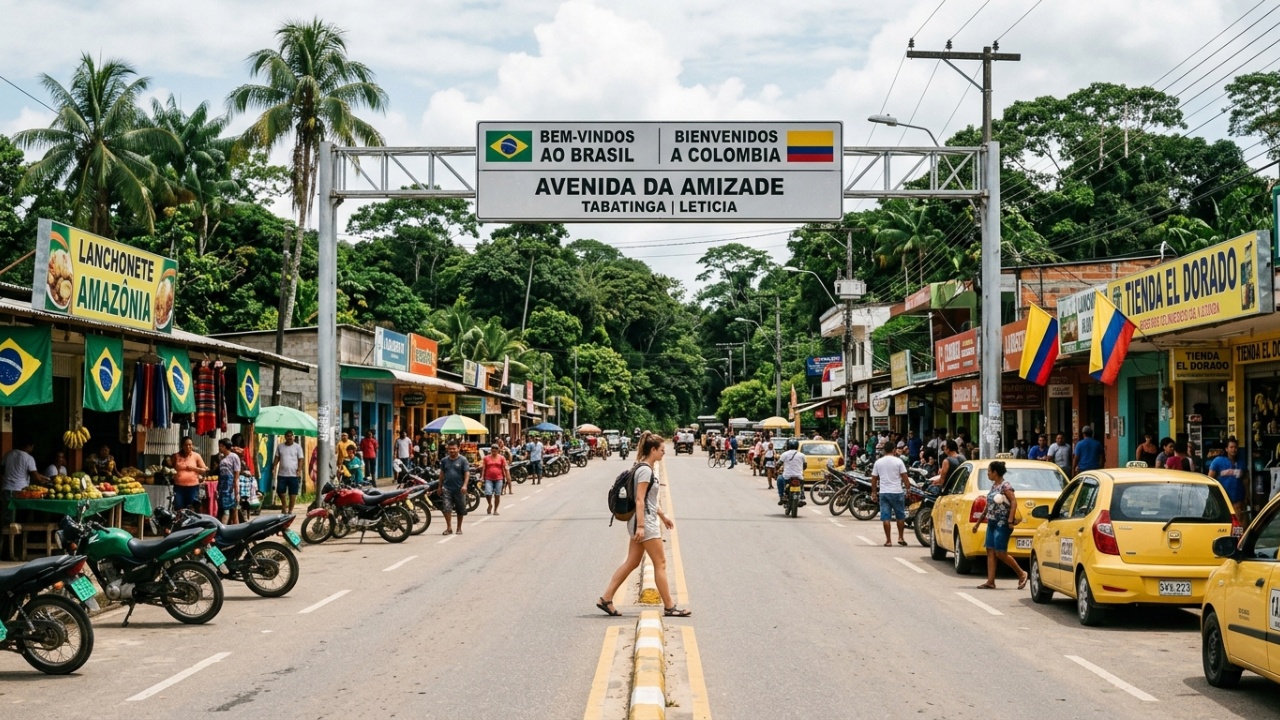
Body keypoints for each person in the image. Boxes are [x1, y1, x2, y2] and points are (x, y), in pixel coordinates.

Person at [597, 432, 688, 618]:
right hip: (644, 523)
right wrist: (641, 526)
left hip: (642, 520)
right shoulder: (645, 470)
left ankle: (606, 598)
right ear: (653, 450)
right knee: (660, 563)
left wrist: (662, 516)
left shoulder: (643, 467)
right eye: (662, 450)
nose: (664, 453)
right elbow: (640, 500)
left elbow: (649, 500)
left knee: (632, 562)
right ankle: (670, 607)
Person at [971, 461, 1029, 590]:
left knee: (1000, 553)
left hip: (1002, 524)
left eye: (989, 472)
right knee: (990, 551)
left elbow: (1014, 502)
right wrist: (978, 523)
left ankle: (1022, 573)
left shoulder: (1005, 486)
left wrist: (1009, 520)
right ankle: (990, 581)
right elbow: (988, 507)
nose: (988, 474)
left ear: (995, 473)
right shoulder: (994, 486)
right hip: (991, 523)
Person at [2, 439, 49, 529]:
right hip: (20, 491)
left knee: (7, 517)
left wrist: (45, 478)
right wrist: (46, 481)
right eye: (32, 447)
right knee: (20, 518)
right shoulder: (28, 458)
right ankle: (19, 538)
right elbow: (36, 477)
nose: (32, 449)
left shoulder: (8, 454)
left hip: (6, 488)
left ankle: (6, 540)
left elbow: (2, 470)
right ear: (29, 446)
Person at [871, 441, 911, 546]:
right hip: (897, 492)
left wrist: (874, 493)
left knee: (886, 517)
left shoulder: (878, 462)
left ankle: (888, 540)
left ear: (884, 450)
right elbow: (905, 477)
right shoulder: (899, 462)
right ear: (894, 450)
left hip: (884, 492)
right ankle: (901, 537)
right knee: (900, 516)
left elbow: (874, 479)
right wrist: (908, 489)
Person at [1208, 436, 1247, 519]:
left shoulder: (1241, 462)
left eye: (1235, 447)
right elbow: (1210, 479)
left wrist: (1247, 496)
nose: (1233, 449)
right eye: (1231, 447)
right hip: (1222, 499)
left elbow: (1245, 480)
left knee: (1238, 524)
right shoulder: (1218, 461)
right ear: (1226, 449)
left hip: (1238, 499)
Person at [439, 439, 470, 535]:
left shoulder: (463, 460)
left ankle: (459, 528)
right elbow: (441, 474)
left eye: (454, 448)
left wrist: (465, 485)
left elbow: (467, 473)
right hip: (447, 488)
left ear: (458, 449)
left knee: (460, 509)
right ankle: (449, 528)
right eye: (450, 449)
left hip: (459, 489)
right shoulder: (444, 461)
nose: (452, 450)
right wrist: (439, 486)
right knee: (446, 508)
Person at [272, 430, 305, 515]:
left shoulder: (297, 447)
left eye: (291, 436)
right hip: (282, 474)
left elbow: (300, 459)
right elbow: (276, 458)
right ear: (285, 437)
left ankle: (290, 510)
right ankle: (284, 505)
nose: (289, 437)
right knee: (280, 491)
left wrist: (299, 469)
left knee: (293, 494)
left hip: (293, 474)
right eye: (288, 436)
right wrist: (274, 467)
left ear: (294, 437)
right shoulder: (280, 446)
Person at [171, 436, 208, 511]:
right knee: (179, 507)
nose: (188, 446)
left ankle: (191, 522)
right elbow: (171, 468)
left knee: (192, 507)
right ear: (182, 446)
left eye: (190, 445)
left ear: (192, 445)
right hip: (179, 487)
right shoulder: (176, 456)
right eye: (186, 445)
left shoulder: (196, 456)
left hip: (193, 487)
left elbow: (204, 470)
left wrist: (194, 468)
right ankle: (180, 522)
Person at [216, 438, 242, 524]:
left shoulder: (234, 457)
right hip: (223, 487)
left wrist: (236, 492)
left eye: (220, 446)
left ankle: (224, 530)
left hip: (230, 488)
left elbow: (236, 475)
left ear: (224, 446)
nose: (219, 448)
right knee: (232, 511)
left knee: (231, 511)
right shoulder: (221, 457)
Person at [481, 444, 509, 516]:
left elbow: (505, 468)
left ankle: (495, 510)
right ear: (491, 450)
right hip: (488, 478)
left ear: (498, 450)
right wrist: (482, 477)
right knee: (488, 493)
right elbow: (484, 468)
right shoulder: (486, 458)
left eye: (495, 449)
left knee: (497, 495)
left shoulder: (502, 458)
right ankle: (490, 504)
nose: (494, 451)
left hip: (499, 478)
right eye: (492, 449)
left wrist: (507, 477)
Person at [776, 439, 807, 505]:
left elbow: (778, 465)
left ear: (788, 446)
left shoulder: (784, 454)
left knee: (779, 479)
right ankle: (801, 497)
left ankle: (781, 496)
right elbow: (805, 466)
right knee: (802, 482)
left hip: (787, 477)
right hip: (799, 476)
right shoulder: (802, 455)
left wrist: (776, 469)